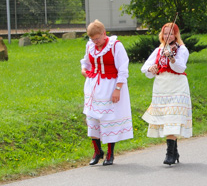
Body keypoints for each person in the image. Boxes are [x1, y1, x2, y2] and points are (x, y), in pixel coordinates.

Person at [80, 20, 133, 166]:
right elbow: (86, 61)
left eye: (97, 38)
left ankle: (110, 153)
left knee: (108, 119)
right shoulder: (90, 45)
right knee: (92, 118)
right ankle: (97, 151)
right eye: (92, 39)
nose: (95, 42)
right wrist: (84, 69)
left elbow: (123, 68)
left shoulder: (116, 45)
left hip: (110, 86)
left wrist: (118, 89)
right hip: (93, 86)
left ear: (104, 34)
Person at [141, 22, 192, 165]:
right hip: (162, 87)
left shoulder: (181, 50)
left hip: (177, 86)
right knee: (166, 119)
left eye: (170, 33)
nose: (167, 36)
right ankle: (174, 152)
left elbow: (180, 67)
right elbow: (145, 68)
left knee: (172, 118)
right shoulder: (159, 50)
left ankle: (169, 154)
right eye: (165, 33)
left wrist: (172, 58)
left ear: (176, 35)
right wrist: (151, 69)